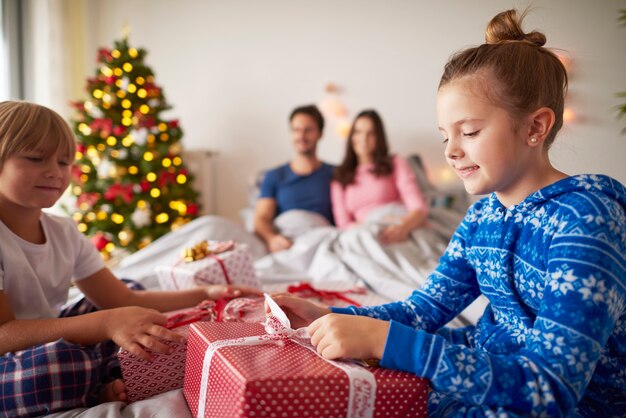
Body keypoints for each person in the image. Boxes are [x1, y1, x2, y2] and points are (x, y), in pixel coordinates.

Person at [271, 9, 626, 416]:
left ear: (536, 127)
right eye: (445, 136)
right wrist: (330, 316)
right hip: (484, 378)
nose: (451, 151)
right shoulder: (482, 219)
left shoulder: (587, 220)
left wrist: (386, 342)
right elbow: (422, 311)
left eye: (469, 132)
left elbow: (550, 390)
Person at [0, 101, 260, 417]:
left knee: (131, 307)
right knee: (59, 362)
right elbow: (4, 334)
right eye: (36, 158)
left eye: (64, 161)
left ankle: (102, 378)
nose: (55, 172)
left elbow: (120, 298)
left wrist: (205, 294)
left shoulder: (64, 231)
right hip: (12, 359)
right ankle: (98, 383)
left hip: (48, 341)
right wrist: (107, 323)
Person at [331, 109, 428, 244]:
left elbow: (418, 207)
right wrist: (368, 229)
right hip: (364, 235)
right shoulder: (340, 177)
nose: (363, 138)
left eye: (371, 133)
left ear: (379, 138)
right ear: (351, 136)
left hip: (397, 225)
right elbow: (343, 225)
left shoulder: (395, 162)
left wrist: (403, 227)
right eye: (358, 132)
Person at [253, 105, 335, 253]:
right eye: (296, 130)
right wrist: (272, 238)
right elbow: (261, 218)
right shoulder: (274, 176)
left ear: (320, 133)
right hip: (288, 244)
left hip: (323, 243)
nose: (301, 136)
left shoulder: (336, 174)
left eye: (308, 130)